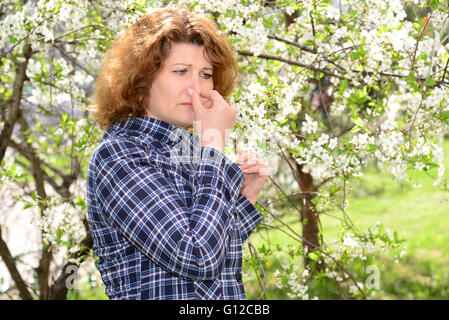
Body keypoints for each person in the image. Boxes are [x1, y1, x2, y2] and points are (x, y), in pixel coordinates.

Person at [86, 7, 268, 300]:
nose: (196, 88)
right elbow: (197, 257)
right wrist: (213, 143)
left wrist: (245, 200)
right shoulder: (119, 155)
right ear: (141, 79)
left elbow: (215, 265)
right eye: (181, 71)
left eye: (206, 74)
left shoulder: (188, 150)